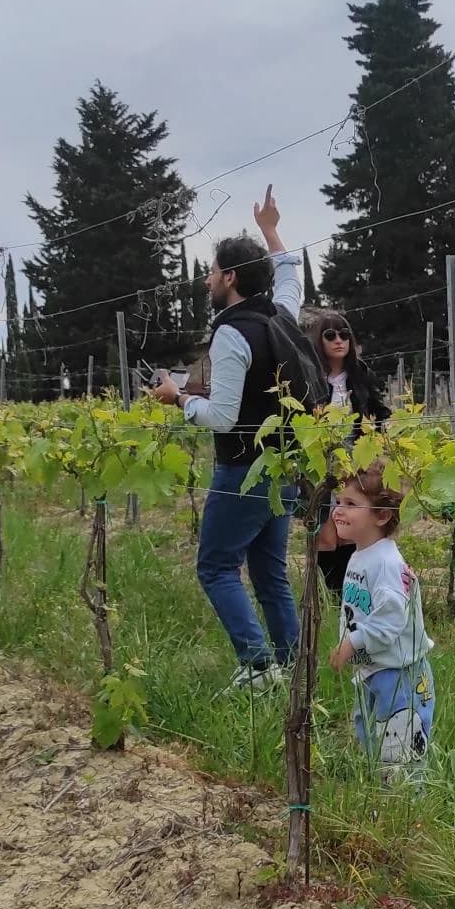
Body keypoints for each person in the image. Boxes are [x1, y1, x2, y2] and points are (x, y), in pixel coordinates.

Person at [151, 185, 302, 690]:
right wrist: (271, 231)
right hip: (284, 467)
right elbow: (290, 279)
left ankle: (258, 666)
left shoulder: (232, 332)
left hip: (242, 469)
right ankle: (290, 665)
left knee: (216, 567)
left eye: (214, 271)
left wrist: (178, 398)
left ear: (230, 278)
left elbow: (221, 416)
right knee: (269, 574)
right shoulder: (280, 316)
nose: (209, 279)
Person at [329, 463, 435, 774]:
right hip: (375, 668)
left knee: (400, 742)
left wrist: (353, 642)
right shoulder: (362, 554)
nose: (338, 511)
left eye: (351, 504)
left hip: (400, 673)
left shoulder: (387, 562)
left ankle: (406, 805)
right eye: (338, 503)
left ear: (381, 516)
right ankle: (381, 795)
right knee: (372, 734)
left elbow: (390, 620)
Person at [302, 309, 392, 599]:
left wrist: (382, 440)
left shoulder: (360, 373)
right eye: (331, 335)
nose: (339, 340)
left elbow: (380, 411)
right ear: (320, 340)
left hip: (357, 462)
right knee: (327, 531)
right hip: (320, 461)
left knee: (352, 524)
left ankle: (348, 592)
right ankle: (330, 592)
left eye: (344, 335)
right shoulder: (309, 376)